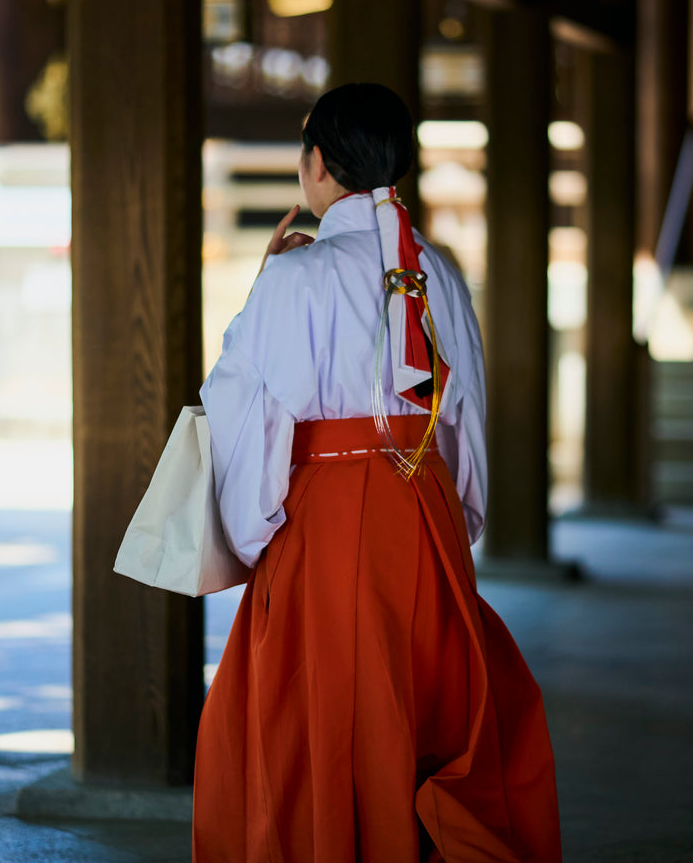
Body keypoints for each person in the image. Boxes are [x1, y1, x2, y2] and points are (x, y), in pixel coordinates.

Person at [193, 83, 561, 862]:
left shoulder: (296, 277)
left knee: (319, 718)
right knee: (421, 710)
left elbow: (244, 406)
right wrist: (453, 523)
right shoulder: (437, 272)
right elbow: (463, 420)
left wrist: (251, 533)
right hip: (422, 512)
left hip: (324, 518)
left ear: (318, 166)